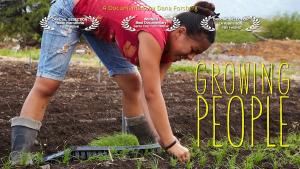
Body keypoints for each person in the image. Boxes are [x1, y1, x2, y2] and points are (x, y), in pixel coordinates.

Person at [9, 0, 217, 165]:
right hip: (71, 9)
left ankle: (143, 143)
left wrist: (160, 139)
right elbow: (152, 95)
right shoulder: (153, 35)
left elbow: (149, 91)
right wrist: (171, 142)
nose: (191, 57)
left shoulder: (169, 50)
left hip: (99, 22)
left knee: (132, 84)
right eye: (193, 50)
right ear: (180, 32)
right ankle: (19, 156)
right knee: (48, 84)